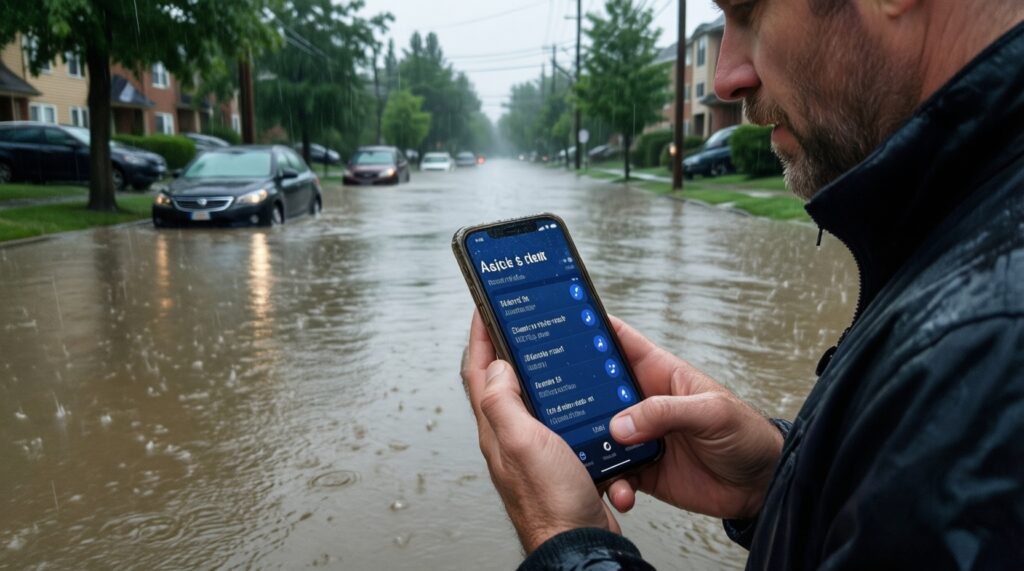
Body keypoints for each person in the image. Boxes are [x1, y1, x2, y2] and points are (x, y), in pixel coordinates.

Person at [461, 0, 1024, 568]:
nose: (726, 77)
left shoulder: (988, 348)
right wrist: (778, 480)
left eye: (750, 12)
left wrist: (567, 540)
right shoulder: (961, 252)